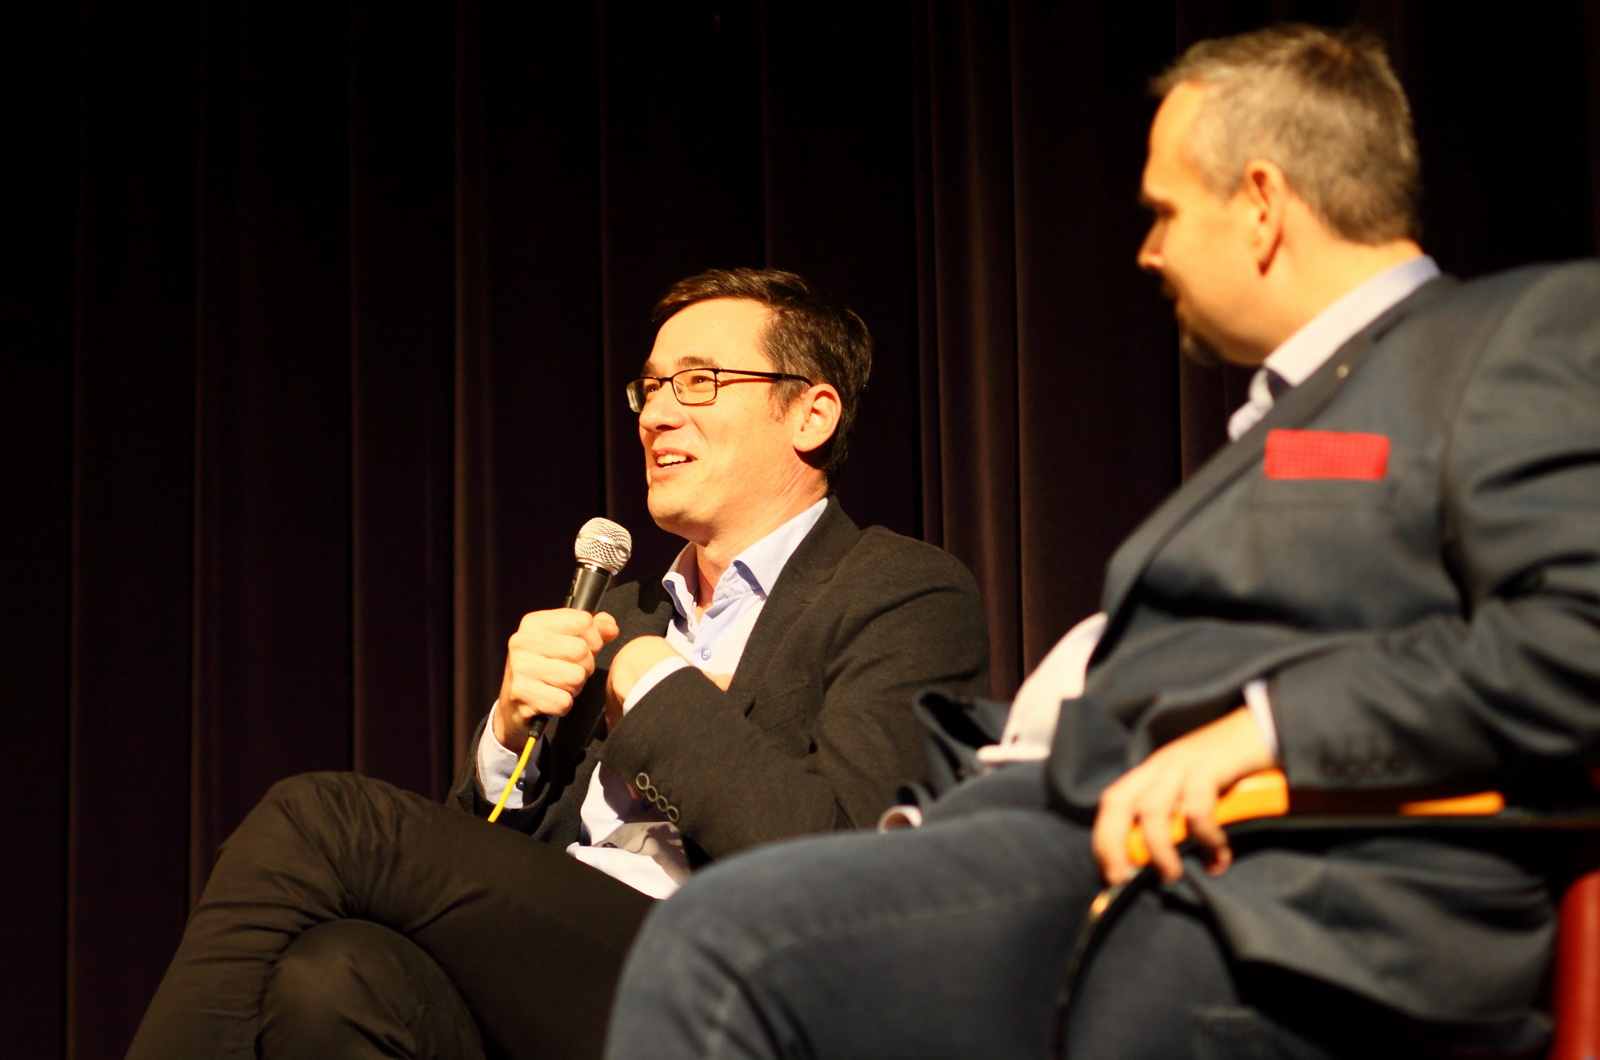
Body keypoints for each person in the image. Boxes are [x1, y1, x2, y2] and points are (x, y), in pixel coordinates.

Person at [603, 26, 1600, 1060]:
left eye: (1165, 212)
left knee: (724, 941)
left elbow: (1577, 638)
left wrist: (1265, 730)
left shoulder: (1511, 336)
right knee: (736, 936)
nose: (1148, 250)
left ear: (1261, 202)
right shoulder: (1283, 416)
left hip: (1266, 895)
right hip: (1053, 839)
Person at [128, 268, 989, 1059]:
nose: (657, 414)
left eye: (698, 381)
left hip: (737, 989)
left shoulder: (900, 590)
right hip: (568, 983)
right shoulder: (621, 611)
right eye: (651, 388)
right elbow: (482, 869)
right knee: (331, 979)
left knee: (325, 820)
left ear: (812, 415)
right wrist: (508, 743)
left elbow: (851, 875)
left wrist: (655, 685)